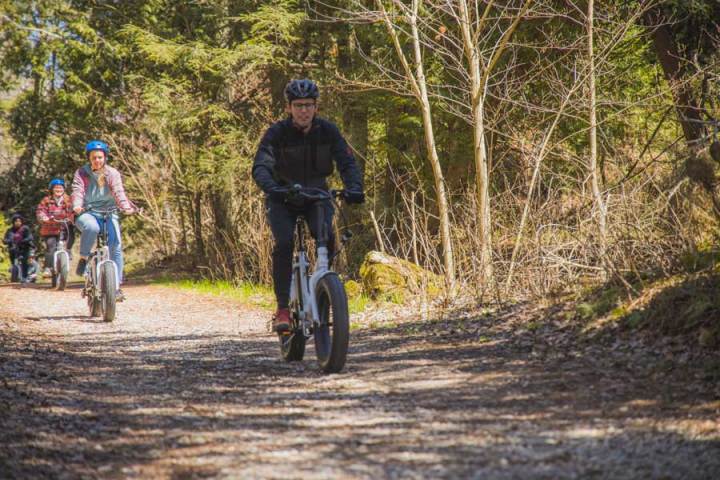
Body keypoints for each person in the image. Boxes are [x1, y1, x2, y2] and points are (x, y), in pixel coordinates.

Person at [252, 78, 365, 333]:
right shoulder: (276, 133)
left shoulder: (328, 131)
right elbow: (260, 166)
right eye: (299, 105)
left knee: (325, 235)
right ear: (289, 107)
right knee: (283, 243)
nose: (304, 110)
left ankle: (326, 289)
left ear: (316, 107)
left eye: (309, 105)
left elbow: (347, 163)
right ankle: (282, 309)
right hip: (282, 197)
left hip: (317, 196)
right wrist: (272, 187)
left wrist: (354, 188)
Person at [71, 140, 138, 300]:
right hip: (87, 212)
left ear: (105, 157)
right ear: (89, 158)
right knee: (92, 228)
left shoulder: (112, 173)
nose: (97, 160)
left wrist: (125, 207)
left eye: (100, 157)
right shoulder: (81, 173)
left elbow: (118, 191)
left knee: (115, 246)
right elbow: (77, 190)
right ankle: (84, 257)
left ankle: (116, 287)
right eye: (94, 157)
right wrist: (77, 205)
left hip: (109, 212)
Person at [36, 178, 75, 277]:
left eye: (61, 188)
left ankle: (68, 251)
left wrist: (71, 217)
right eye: (56, 188)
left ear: (64, 189)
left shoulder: (68, 200)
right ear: (52, 189)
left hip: (64, 226)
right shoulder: (46, 200)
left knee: (70, 236)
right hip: (50, 228)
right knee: (51, 246)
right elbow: (40, 211)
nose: (58, 190)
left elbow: (72, 210)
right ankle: (48, 268)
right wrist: (43, 217)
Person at [3, 213, 34, 282]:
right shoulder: (9, 230)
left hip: (24, 248)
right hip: (13, 249)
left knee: (24, 262)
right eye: (16, 221)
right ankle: (14, 273)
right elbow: (5, 240)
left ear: (21, 222)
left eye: (19, 221)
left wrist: (23, 240)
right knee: (13, 261)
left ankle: (24, 277)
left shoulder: (25, 228)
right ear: (13, 222)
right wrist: (8, 241)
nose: (18, 223)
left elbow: (30, 237)